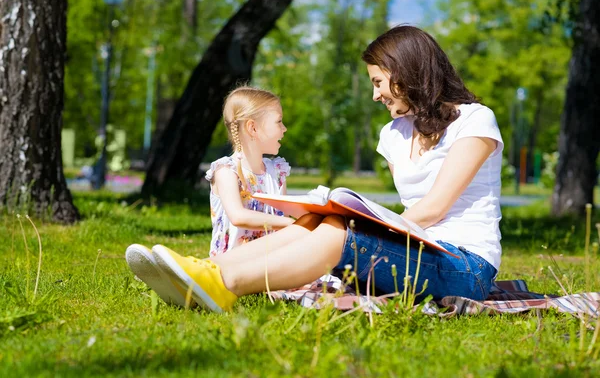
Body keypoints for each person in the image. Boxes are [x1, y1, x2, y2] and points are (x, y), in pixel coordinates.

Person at [138, 25, 504, 313]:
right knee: (320, 220)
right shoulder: (393, 134)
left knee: (336, 232)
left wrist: (368, 223)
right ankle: (204, 271)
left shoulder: (474, 121)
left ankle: (225, 284)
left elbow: (434, 208)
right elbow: (414, 213)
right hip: (416, 250)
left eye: (378, 82)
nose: (376, 95)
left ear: (406, 73)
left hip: (464, 266)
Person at [125, 86, 297, 307]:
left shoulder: (277, 172)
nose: (284, 129)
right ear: (253, 128)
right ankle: (186, 275)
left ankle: (178, 277)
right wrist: (288, 223)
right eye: (278, 122)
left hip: (273, 260)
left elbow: (286, 212)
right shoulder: (226, 170)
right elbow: (238, 216)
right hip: (233, 261)